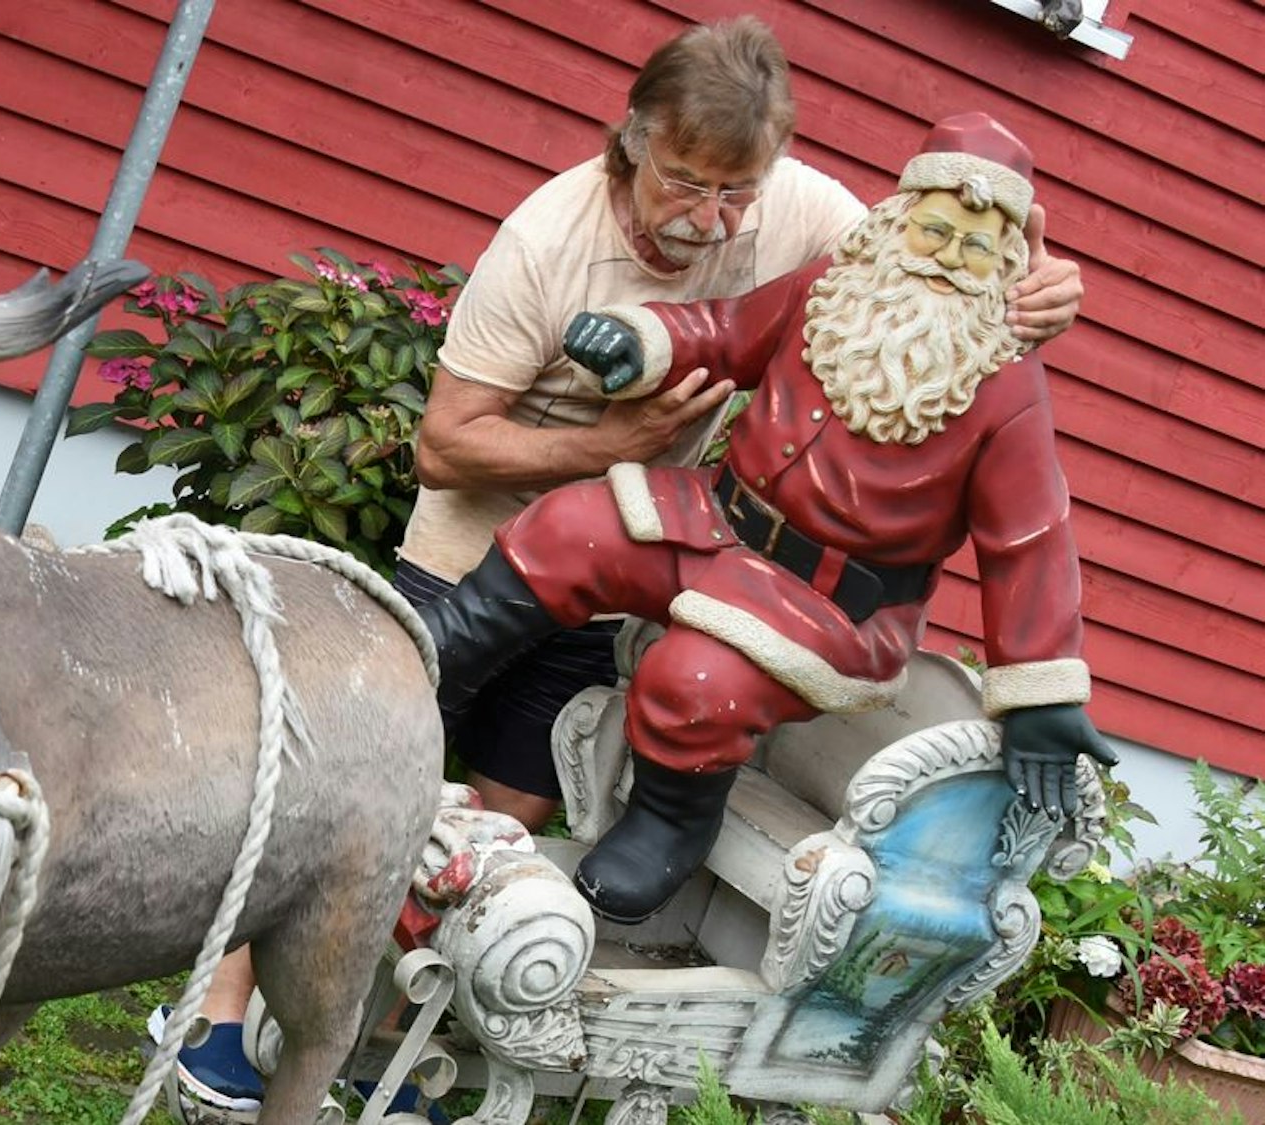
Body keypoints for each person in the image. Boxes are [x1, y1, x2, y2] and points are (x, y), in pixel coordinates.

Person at [162, 17, 1084, 1116]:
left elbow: (1029, 540)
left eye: (735, 194)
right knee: (520, 580)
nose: (711, 216)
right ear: (633, 145)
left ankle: (421, 1017)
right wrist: (636, 358)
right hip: (556, 527)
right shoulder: (560, 240)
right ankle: (214, 1016)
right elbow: (484, 426)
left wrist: (1030, 284)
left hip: (818, 599)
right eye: (686, 185)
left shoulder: (904, 303)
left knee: (612, 736)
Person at [419, 110, 1119, 923]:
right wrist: (643, 339)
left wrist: (1041, 698)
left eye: (971, 249)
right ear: (897, 223)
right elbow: (725, 331)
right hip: (716, 522)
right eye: (932, 233)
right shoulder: (832, 287)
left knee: (697, 682)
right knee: (566, 528)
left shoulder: (1006, 387)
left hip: (827, 600)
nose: (943, 264)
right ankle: (436, 667)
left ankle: (670, 819)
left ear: (1004, 262)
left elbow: (1029, 542)